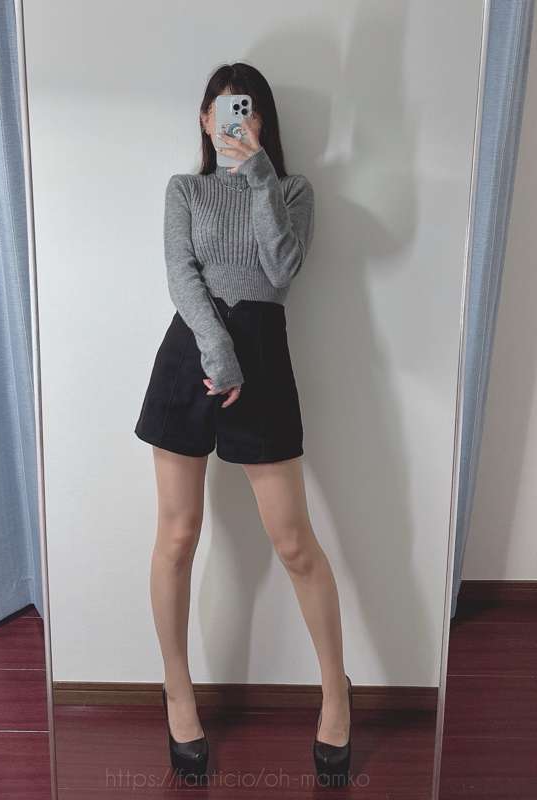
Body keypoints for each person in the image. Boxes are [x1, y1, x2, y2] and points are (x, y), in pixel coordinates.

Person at [135, 62, 351, 785]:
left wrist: (258, 172)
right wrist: (217, 351)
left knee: (293, 543)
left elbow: (282, 270)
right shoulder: (184, 190)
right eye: (222, 110)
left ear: (260, 120)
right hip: (191, 355)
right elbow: (181, 275)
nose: (233, 120)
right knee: (177, 537)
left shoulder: (292, 191)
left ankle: (336, 692)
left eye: (245, 110)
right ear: (204, 120)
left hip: (263, 357)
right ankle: (178, 693)